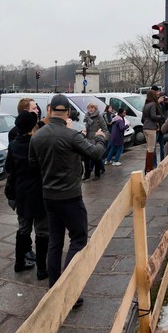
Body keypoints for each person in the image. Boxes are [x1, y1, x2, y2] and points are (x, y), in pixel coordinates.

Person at [29, 94, 107, 299]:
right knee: (78, 239)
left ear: (49, 111)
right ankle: (70, 290)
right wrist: (99, 137)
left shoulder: (37, 136)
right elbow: (96, 154)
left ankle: (54, 287)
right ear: (68, 113)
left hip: (49, 196)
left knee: (55, 242)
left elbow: (33, 165)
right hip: (70, 196)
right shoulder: (71, 135)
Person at [3, 112, 46, 279]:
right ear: (31, 127)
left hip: (22, 192)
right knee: (42, 230)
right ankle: (42, 269)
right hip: (38, 191)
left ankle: (19, 263)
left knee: (23, 229)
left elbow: (9, 168)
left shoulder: (13, 145)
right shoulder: (36, 143)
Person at [82, 103, 108, 181]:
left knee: (96, 157)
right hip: (88, 138)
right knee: (86, 157)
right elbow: (87, 127)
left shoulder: (99, 117)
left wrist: (100, 135)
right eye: (89, 107)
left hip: (96, 138)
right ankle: (87, 175)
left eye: (92, 107)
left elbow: (104, 128)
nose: (91, 109)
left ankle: (97, 174)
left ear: (95, 108)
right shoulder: (87, 117)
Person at [142, 89, 165, 171]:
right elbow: (153, 116)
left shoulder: (146, 105)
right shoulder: (153, 104)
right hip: (151, 127)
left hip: (145, 127)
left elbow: (143, 118)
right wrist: (161, 117)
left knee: (149, 148)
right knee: (151, 148)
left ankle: (147, 167)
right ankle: (149, 168)